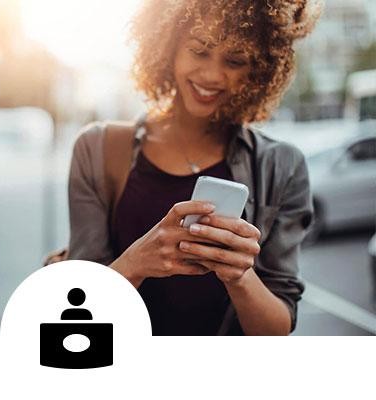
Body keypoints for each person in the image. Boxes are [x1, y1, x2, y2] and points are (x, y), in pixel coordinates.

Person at [64, 0, 322, 335]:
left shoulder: (283, 166)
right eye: (200, 51)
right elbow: (77, 308)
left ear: (258, 70)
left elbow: (276, 331)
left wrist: (240, 275)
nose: (212, 75)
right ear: (168, 45)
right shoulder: (97, 149)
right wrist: (136, 262)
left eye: (235, 60)